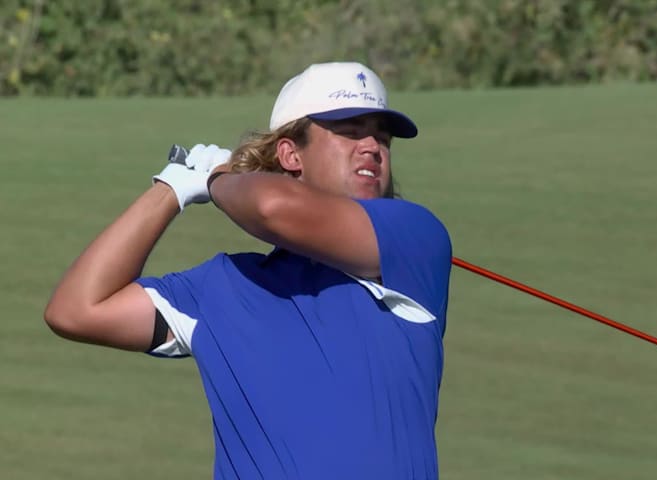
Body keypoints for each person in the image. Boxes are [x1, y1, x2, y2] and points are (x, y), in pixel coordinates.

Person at [44, 61, 452, 479]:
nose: (372, 146)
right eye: (349, 130)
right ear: (291, 154)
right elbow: (76, 309)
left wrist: (217, 178)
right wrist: (171, 189)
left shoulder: (414, 241)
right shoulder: (220, 287)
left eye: (382, 137)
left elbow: (271, 208)